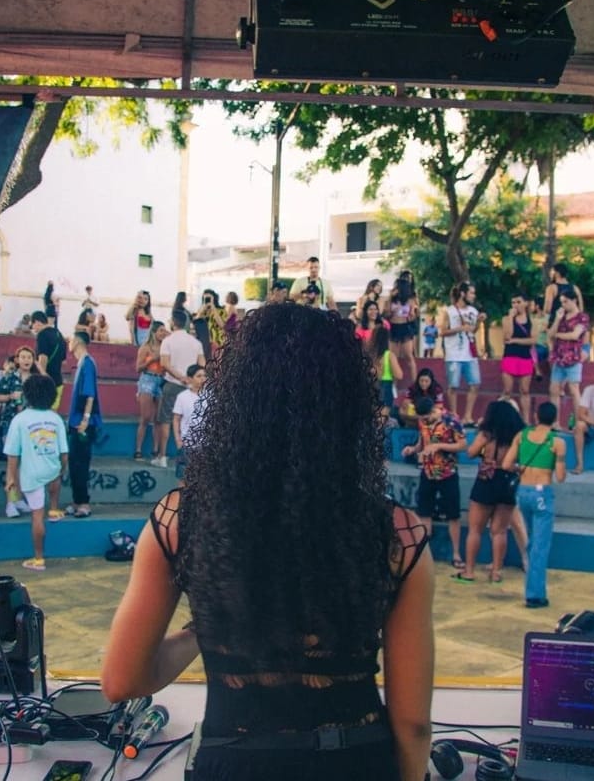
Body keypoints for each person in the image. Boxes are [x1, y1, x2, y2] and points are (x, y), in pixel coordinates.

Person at [101, 304, 434, 781]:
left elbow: (123, 681)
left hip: (233, 765)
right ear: (349, 404)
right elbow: (413, 723)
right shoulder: (399, 534)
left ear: (235, 399)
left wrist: (204, 628)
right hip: (357, 762)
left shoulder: (181, 518)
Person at [502, 401, 567, 609]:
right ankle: (535, 594)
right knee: (540, 545)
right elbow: (561, 476)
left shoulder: (521, 436)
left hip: (523, 491)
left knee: (532, 542)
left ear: (536, 416)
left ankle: (533, 588)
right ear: (554, 419)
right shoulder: (556, 442)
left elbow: (506, 464)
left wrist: (521, 467)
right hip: (542, 491)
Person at [456, 400, 527, 584]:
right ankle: (496, 571)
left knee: (475, 530)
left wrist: (484, 452)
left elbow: (471, 452)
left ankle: (469, 571)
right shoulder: (518, 436)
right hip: (507, 481)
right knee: (500, 531)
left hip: (486, 480)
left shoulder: (487, 433)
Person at [4, 374, 69, 571]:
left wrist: (11, 478)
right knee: (55, 475)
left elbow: (13, 454)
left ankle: (39, 559)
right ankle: (54, 509)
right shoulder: (56, 419)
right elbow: (64, 453)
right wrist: (62, 468)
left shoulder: (19, 420)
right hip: (52, 468)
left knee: (37, 516)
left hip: (31, 474)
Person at [402, 397, 467, 562]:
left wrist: (438, 446)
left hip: (447, 472)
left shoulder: (451, 420)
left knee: (453, 515)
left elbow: (462, 445)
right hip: (428, 471)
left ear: (432, 411)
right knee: (424, 511)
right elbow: (422, 443)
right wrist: (413, 449)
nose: (423, 420)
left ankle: (456, 553)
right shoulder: (422, 422)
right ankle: (425, 553)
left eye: (425, 417)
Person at [155, 309, 205, 468]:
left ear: (173, 322)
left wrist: (180, 377)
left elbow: (165, 364)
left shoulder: (168, 341)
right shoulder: (196, 343)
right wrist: (190, 378)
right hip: (191, 387)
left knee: (166, 420)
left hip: (172, 384)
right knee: (191, 420)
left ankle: (162, 456)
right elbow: (202, 364)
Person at [0, 346, 40, 516]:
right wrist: (10, 397)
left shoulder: (36, 380)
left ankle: (19, 499)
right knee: (12, 465)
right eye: (23, 357)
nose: (26, 360)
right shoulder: (9, 377)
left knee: (24, 465)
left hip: (30, 425)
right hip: (11, 423)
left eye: (29, 357)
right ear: (17, 359)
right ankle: (10, 502)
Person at [66, 331, 102, 518]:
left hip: (83, 423)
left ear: (77, 342)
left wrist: (85, 419)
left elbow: (90, 394)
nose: (69, 342)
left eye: (71, 340)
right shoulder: (81, 363)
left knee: (80, 463)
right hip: (75, 421)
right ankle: (76, 500)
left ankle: (84, 503)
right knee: (74, 462)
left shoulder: (88, 363)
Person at [441, 281, 484, 426]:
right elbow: (443, 331)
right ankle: (454, 415)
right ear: (462, 294)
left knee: (475, 383)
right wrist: (459, 329)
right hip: (454, 353)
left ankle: (468, 416)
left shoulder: (473, 310)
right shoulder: (449, 311)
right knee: (453, 385)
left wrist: (478, 322)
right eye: (471, 293)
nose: (473, 296)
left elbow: (473, 330)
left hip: (470, 353)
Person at [548, 289, 589, 432]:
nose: (563, 305)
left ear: (574, 300)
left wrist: (558, 335)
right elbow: (550, 334)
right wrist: (557, 319)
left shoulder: (582, 317)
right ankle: (555, 422)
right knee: (554, 389)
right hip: (559, 357)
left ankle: (578, 422)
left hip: (573, 357)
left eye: (565, 301)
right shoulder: (561, 316)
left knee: (574, 390)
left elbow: (575, 335)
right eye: (562, 302)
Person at [134, 320, 168, 461]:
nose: (163, 333)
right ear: (154, 332)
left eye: (164, 331)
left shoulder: (166, 348)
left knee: (158, 418)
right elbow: (138, 368)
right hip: (147, 378)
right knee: (145, 417)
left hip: (161, 380)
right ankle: (138, 449)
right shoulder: (146, 347)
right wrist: (151, 360)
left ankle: (155, 449)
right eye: (161, 330)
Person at [500, 293, 536, 423]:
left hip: (525, 357)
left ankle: (526, 420)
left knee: (525, 390)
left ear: (525, 303)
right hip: (510, 356)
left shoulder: (532, 321)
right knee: (507, 390)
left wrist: (515, 341)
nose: (515, 305)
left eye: (518, 302)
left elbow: (532, 340)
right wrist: (511, 317)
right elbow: (507, 337)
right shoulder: (506, 319)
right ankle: (502, 418)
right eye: (513, 302)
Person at [172, 363, 208, 484]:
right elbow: (176, 419)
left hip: (205, 445)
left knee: (203, 479)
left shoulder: (210, 396)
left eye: (204, 376)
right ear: (190, 379)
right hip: (187, 445)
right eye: (199, 376)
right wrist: (178, 440)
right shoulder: (182, 397)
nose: (203, 379)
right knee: (184, 479)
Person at [385, 270, 419, 384]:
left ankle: (414, 383)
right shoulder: (392, 299)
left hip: (405, 326)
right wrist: (391, 297)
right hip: (393, 326)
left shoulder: (411, 299)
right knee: (393, 356)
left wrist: (412, 313)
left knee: (408, 355)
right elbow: (386, 313)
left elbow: (414, 315)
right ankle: (393, 384)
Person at [32, 310, 66, 410]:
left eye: (32, 325)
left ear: (37, 322)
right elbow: (63, 360)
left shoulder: (42, 335)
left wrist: (40, 379)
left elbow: (43, 357)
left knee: (41, 413)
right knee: (52, 414)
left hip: (46, 382)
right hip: (58, 382)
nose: (33, 329)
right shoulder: (59, 334)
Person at [370, 325, 402, 422]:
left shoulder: (370, 355)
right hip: (385, 386)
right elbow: (399, 375)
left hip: (371, 385)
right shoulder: (389, 355)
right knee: (382, 418)